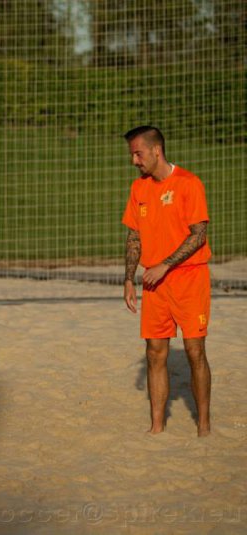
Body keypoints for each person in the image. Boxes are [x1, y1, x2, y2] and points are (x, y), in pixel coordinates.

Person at [122, 125, 212, 437]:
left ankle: (203, 426)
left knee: (194, 350)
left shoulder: (189, 183)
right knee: (155, 352)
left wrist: (165, 264)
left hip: (189, 279)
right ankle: (156, 427)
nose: (134, 160)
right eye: (132, 154)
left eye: (138, 153)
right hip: (153, 283)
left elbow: (199, 235)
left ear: (156, 151)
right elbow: (134, 236)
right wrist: (129, 279)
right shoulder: (139, 189)